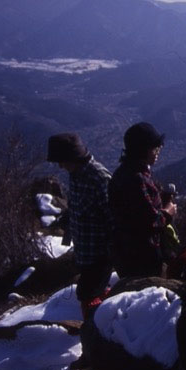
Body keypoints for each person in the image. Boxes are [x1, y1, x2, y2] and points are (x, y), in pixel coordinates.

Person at [47, 133, 113, 318]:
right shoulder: (76, 174)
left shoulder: (98, 178)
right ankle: (104, 318)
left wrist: (110, 253)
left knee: (87, 293)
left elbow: (113, 218)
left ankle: (95, 330)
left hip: (99, 253)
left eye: (61, 160)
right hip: (85, 251)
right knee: (94, 291)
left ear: (72, 157)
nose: (60, 166)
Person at [108, 122, 176, 278]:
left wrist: (160, 199)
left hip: (124, 251)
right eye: (155, 148)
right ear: (143, 150)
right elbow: (149, 222)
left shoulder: (122, 173)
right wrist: (168, 213)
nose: (158, 152)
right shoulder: (137, 179)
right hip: (142, 256)